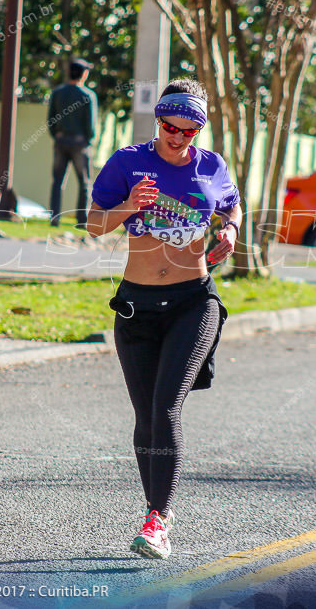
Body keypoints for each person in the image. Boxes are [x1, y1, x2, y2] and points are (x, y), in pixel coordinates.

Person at [86, 78, 242, 559]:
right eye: (170, 127)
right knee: (145, 416)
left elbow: (233, 205)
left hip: (193, 303)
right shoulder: (128, 162)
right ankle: (156, 507)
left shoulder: (211, 167)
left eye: (189, 130)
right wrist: (132, 205)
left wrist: (231, 231)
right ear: (158, 121)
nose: (178, 138)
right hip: (136, 305)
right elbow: (93, 224)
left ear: (198, 129)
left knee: (166, 407)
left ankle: (157, 519)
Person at [47, 58, 98, 227]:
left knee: (57, 182)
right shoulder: (88, 96)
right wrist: (88, 139)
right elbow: (90, 125)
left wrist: (57, 135)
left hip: (61, 141)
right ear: (83, 74)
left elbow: (51, 119)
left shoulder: (57, 93)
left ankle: (55, 217)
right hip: (80, 143)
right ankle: (81, 220)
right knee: (84, 182)